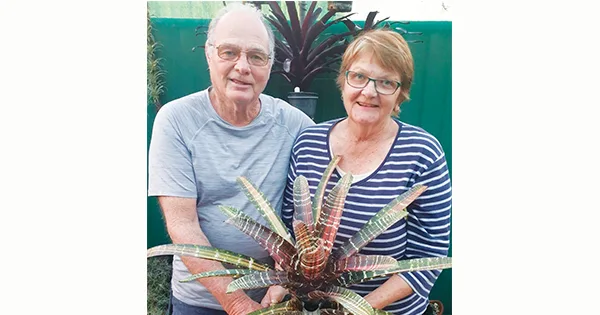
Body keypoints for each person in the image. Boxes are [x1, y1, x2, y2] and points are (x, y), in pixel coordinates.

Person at [147, 3, 314, 315]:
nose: (243, 66)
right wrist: (237, 303)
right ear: (209, 54)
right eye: (229, 52)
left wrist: (288, 279)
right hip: (200, 300)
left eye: (256, 56)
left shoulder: (296, 125)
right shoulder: (176, 120)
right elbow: (182, 223)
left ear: (270, 64)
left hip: (275, 299)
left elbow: (310, 215)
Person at [281, 29, 452, 315]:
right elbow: (289, 230)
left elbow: (427, 260)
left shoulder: (422, 153)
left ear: (400, 94)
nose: (369, 92)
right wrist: (282, 284)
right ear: (343, 81)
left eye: (386, 82)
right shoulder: (308, 143)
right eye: (359, 76)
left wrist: (354, 310)